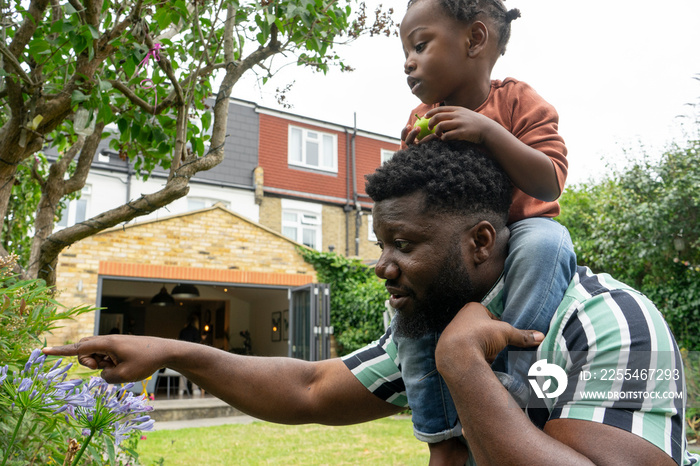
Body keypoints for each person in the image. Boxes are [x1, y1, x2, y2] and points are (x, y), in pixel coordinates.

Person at [44, 141, 695, 465]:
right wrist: (174, 350)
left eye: (403, 243)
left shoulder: (611, 322)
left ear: (481, 241)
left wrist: (464, 368)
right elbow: (308, 388)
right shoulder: (425, 328)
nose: (381, 265)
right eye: (380, 242)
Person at [397, 0, 577, 460]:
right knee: (407, 304)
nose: (408, 62)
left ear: (475, 39)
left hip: (519, 232)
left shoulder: (516, 100)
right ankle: (442, 436)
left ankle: (510, 390)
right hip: (457, 249)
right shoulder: (419, 119)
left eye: (420, 45)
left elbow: (549, 178)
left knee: (549, 242)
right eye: (405, 52)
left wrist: (488, 132)